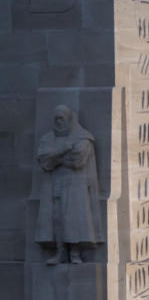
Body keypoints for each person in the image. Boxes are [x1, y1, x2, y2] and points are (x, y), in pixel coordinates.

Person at [35, 105, 103, 265]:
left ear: (69, 119)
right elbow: (44, 161)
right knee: (57, 218)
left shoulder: (83, 137)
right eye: (56, 118)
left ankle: (75, 253)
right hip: (55, 183)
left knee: (74, 219)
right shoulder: (47, 138)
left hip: (75, 185)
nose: (58, 122)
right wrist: (61, 151)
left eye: (61, 118)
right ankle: (60, 251)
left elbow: (77, 160)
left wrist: (55, 159)